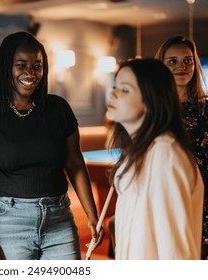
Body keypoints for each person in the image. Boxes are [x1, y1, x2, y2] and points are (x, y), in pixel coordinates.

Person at [0, 31, 104, 260]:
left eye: (37, 66)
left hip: (59, 219)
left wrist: (92, 214)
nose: (30, 73)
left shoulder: (59, 109)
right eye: (21, 65)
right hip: (7, 222)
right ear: (6, 67)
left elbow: (75, 163)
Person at [106, 58, 204, 259]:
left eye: (124, 89)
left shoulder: (164, 154)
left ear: (150, 100)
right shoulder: (140, 150)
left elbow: (175, 248)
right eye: (115, 86)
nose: (112, 93)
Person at [155, 35, 208, 259]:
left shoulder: (206, 108)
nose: (182, 67)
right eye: (173, 61)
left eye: (188, 60)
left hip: (204, 195)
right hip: (166, 196)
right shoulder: (153, 112)